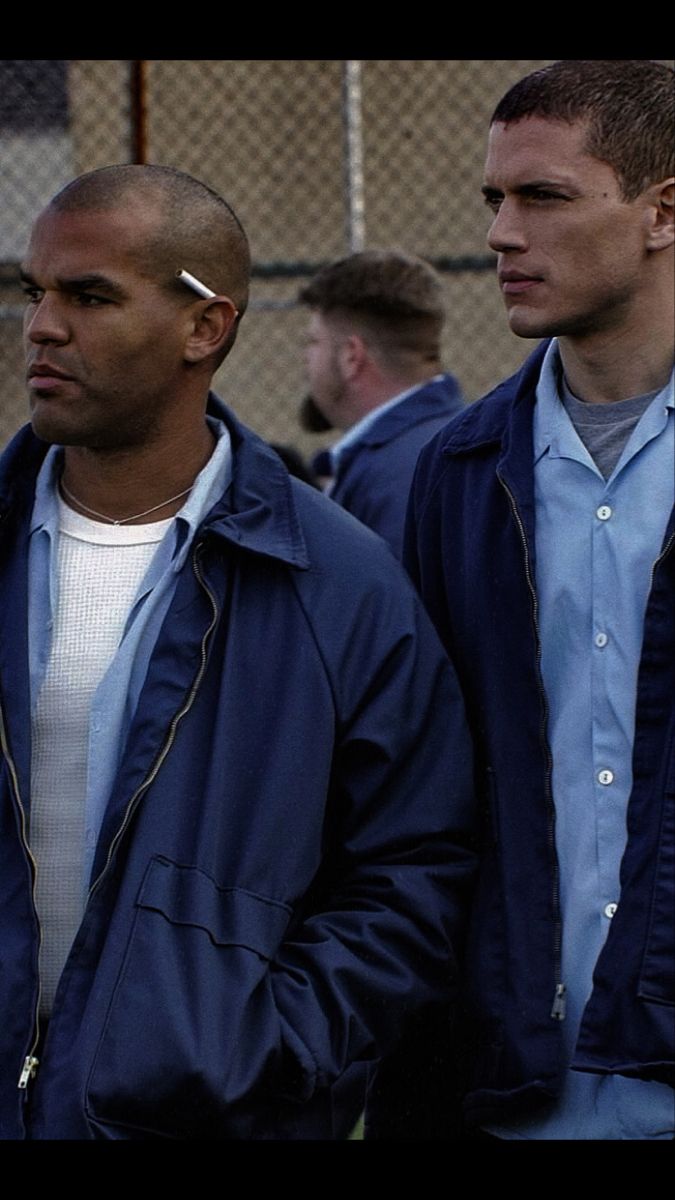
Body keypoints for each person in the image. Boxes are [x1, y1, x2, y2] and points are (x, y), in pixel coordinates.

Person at [0, 164, 477, 1140]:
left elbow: (414, 865)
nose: (42, 327)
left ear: (205, 327)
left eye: (90, 296)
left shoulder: (340, 585)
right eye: (32, 292)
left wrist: (254, 1052)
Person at [383, 59, 675, 1140]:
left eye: (543, 197)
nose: (504, 234)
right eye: (493, 202)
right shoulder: (454, 474)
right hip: (512, 1083)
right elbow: (416, 789)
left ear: (663, 210)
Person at [297, 249, 464, 557]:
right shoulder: (447, 440)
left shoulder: (400, 475)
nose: (305, 358)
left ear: (351, 356)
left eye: (313, 342)